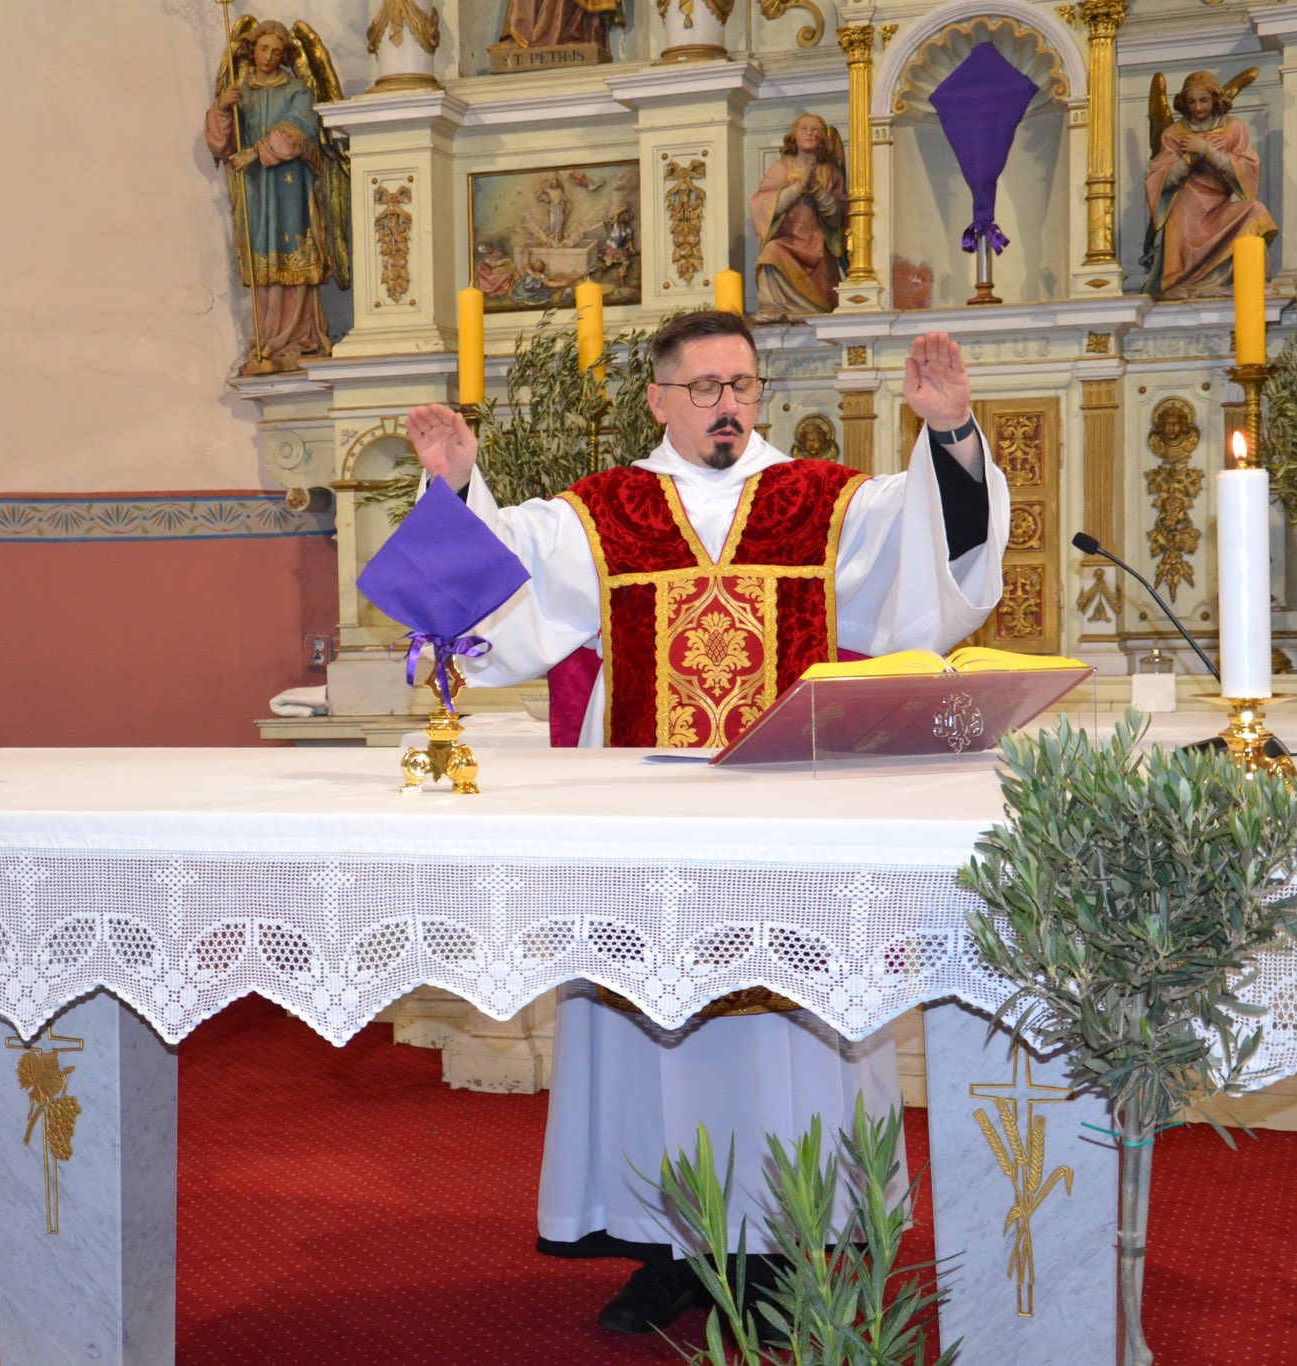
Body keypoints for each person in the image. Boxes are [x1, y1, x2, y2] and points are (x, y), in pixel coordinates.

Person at [404, 310, 1007, 1334]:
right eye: (705, 388)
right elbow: (493, 597)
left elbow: (935, 566)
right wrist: (459, 487)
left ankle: (785, 1249)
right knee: (656, 1046)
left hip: (787, 837)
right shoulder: (605, 513)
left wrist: (949, 435)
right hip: (650, 840)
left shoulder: (824, 503)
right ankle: (666, 1253)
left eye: (743, 386)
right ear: (659, 399)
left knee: (786, 1048)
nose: (728, 405)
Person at [205, 22, 344, 375]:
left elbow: (299, 129)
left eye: (276, 51)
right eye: (263, 48)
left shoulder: (297, 90)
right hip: (256, 192)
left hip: (291, 190)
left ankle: (300, 338)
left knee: (293, 253)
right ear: (251, 49)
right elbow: (220, 145)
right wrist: (222, 107)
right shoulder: (241, 92)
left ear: (285, 56)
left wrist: (254, 153)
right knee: (262, 258)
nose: (268, 56)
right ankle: (268, 338)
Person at [1142, 70, 1277, 299]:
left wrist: (1209, 152)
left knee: (1256, 210)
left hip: (1219, 208)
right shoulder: (1174, 133)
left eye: (1204, 100)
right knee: (1180, 224)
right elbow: (1160, 180)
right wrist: (1190, 158)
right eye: (1191, 102)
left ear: (1215, 99)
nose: (1198, 107)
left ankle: (1237, 280)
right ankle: (1184, 281)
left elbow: (1247, 171)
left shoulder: (1233, 128)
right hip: (1186, 209)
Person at [750, 112, 849, 321]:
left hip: (818, 248)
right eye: (804, 129)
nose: (809, 133)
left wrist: (815, 187)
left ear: (823, 138)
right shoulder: (781, 168)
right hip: (788, 243)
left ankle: (812, 306)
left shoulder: (831, 173)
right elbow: (765, 206)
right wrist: (799, 186)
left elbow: (836, 216)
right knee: (770, 252)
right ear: (794, 135)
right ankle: (771, 307)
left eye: (815, 130)